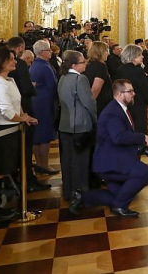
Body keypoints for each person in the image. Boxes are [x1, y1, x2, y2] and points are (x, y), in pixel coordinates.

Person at [69, 80, 148, 218]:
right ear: (120, 94)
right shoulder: (113, 112)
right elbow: (118, 137)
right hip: (109, 162)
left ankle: (81, 197)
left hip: (113, 157)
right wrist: (141, 137)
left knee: (119, 194)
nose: (134, 94)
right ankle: (119, 206)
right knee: (144, 172)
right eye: (130, 91)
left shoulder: (118, 108)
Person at [0, 47, 38, 221]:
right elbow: (6, 110)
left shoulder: (8, 80)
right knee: (0, 169)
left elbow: (17, 103)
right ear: (2, 62)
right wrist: (21, 119)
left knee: (11, 167)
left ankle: (18, 205)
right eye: (11, 59)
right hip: (2, 130)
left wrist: (24, 116)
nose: (15, 61)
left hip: (12, 128)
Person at [8, 37, 49, 193]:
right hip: (23, 109)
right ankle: (28, 181)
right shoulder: (20, 65)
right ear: (20, 48)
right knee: (25, 147)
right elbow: (27, 89)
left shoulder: (1, 64)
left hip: (13, 111)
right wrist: (32, 88)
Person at [57, 50, 98, 201]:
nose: (85, 63)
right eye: (82, 62)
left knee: (67, 160)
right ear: (74, 65)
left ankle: (68, 191)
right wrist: (95, 120)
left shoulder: (62, 78)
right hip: (80, 125)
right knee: (80, 161)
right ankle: (81, 192)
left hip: (65, 125)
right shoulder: (80, 79)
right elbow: (89, 103)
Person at [30, 40, 59, 175]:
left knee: (38, 136)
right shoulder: (44, 66)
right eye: (48, 50)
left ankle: (41, 164)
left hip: (38, 104)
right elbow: (54, 86)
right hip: (44, 105)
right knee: (44, 135)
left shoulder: (36, 65)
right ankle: (44, 165)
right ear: (41, 52)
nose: (51, 52)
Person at [115, 44, 148, 134]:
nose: (142, 56)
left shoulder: (121, 69)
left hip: (124, 103)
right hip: (138, 104)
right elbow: (145, 88)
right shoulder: (137, 70)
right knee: (140, 128)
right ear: (133, 56)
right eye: (140, 54)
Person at [84, 41, 113, 116]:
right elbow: (95, 89)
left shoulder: (87, 64)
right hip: (100, 105)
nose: (108, 53)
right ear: (100, 52)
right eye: (106, 51)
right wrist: (90, 107)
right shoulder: (101, 66)